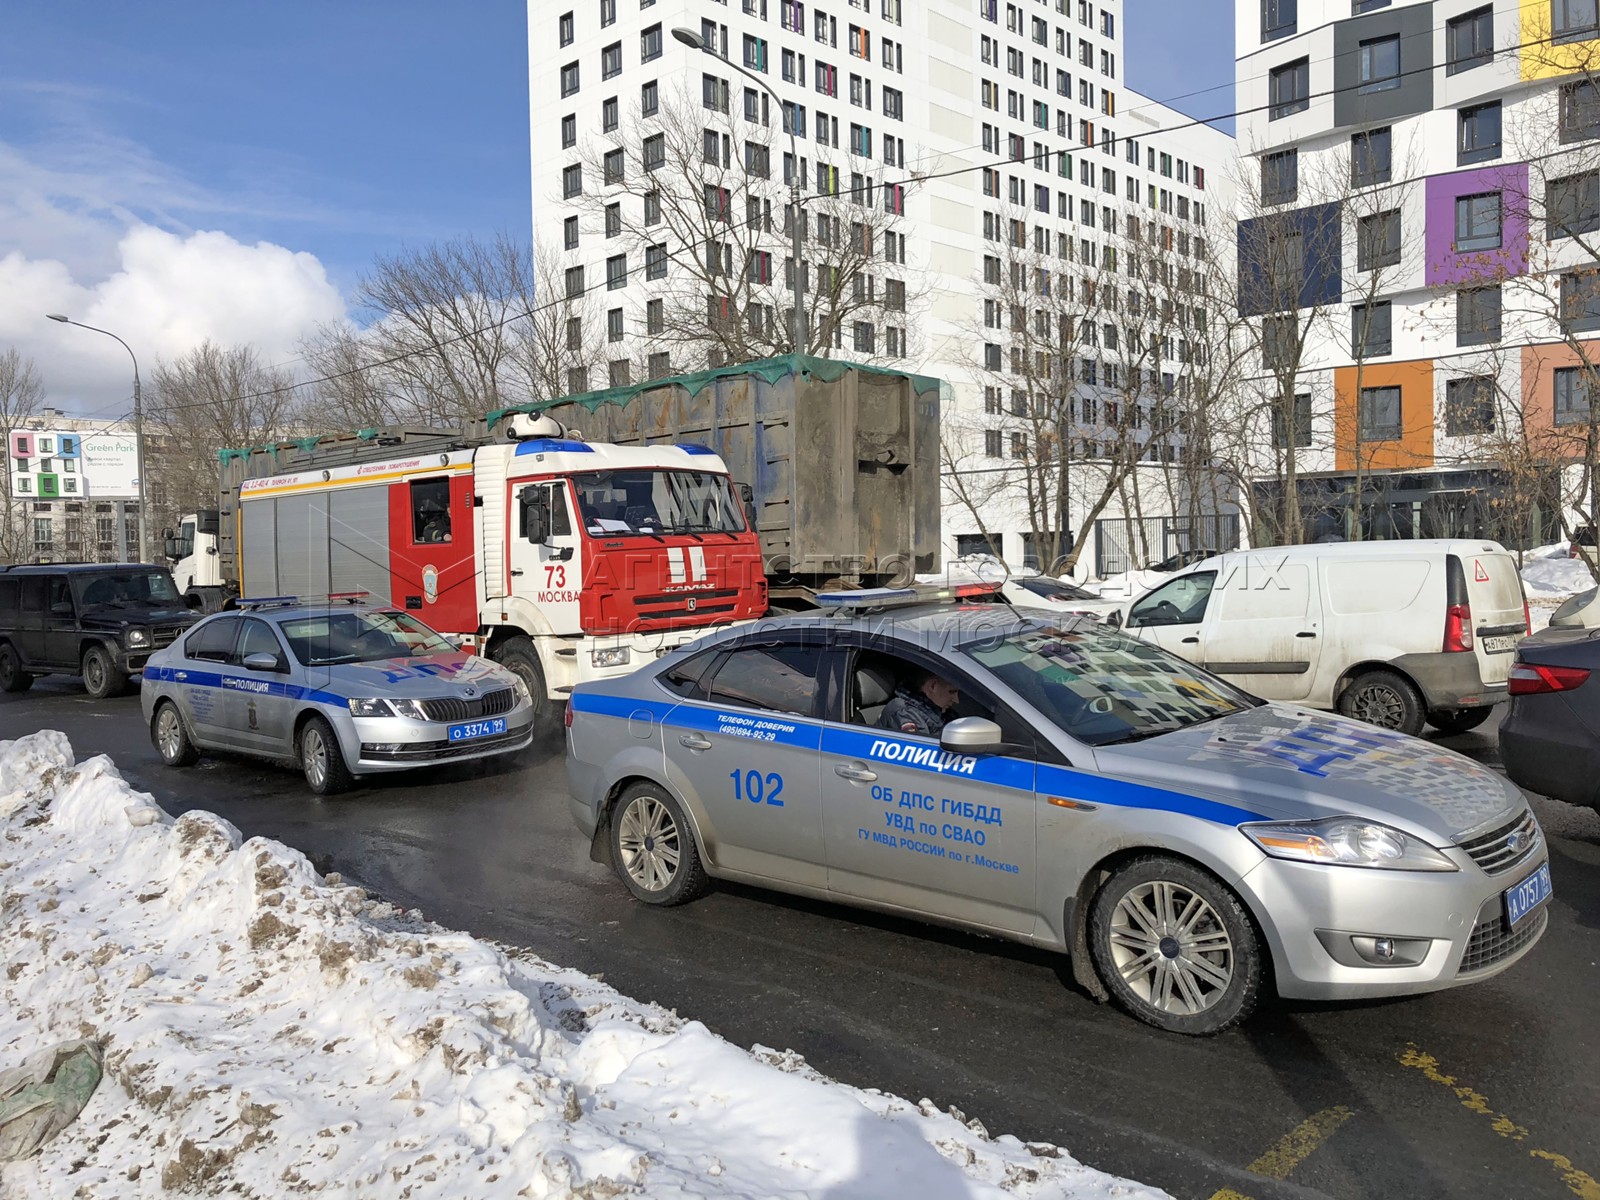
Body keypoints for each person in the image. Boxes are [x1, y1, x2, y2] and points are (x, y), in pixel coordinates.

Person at [879, 669, 960, 737]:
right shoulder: (904, 713)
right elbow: (922, 750)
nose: (956, 700)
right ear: (932, 686)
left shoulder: (937, 711)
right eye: (951, 692)